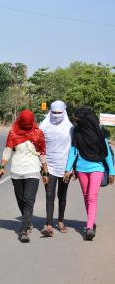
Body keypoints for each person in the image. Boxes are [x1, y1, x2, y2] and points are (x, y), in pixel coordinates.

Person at [0, 109, 49, 243]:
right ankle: (28, 221)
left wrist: (45, 172)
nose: (26, 126)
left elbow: (42, 153)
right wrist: (2, 167)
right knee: (20, 199)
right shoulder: (13, 133)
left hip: (32, 170)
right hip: (16, 171)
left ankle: (24, 230)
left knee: (28, 199)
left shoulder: (38, 133)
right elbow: (7, 150)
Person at [63, 108, 115, 240]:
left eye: (78, 120)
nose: (76, 122)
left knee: (92, 196)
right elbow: (73, 151)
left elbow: (107, 153)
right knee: (86, 196)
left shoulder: (99, 132)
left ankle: (89, 227)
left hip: (97, 167)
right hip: (81, 169)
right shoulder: (76, 132)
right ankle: (91, 222)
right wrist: (68, 169)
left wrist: (112, 171)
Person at [39, 100, 73, 237]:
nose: (57, 115)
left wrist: (72, 168)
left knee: (62, 196)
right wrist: (42, 167)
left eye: (60, 112)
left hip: (65, 168)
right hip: (48, 166)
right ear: (50, 112)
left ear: (64, 111)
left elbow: (73, 149)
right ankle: (48, 224)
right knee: (49, 195)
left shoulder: (70, 128)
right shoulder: (44, 126)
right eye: (54, 113)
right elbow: (39, 147)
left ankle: (60, 221)